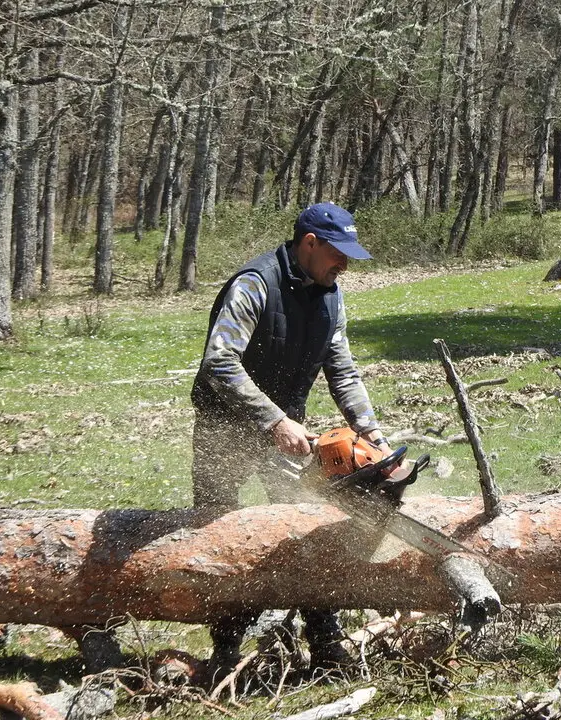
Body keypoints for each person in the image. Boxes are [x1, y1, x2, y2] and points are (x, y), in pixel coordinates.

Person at [190, 201, 389, 680]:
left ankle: (324, 638)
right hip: (227, 428)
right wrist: (274, 421)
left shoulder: (330, 295)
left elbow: (340, 366)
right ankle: (226, 649)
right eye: (337, 253)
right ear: (309, 243)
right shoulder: (255, 285)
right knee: (223, 533)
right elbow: (220, 362)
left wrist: (371, 431)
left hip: (288, 431)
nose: (344, 264)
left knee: (305, 524)